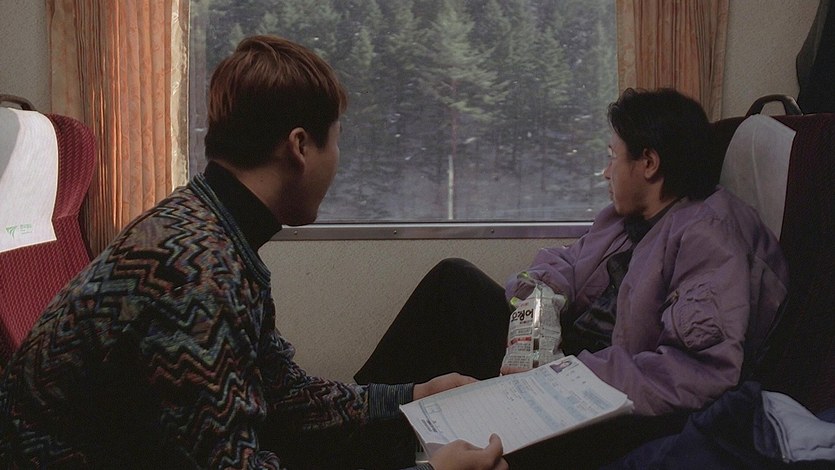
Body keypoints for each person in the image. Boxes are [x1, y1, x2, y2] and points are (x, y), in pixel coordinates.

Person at [0, 35, 508, 470]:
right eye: (336, 142)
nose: (338, 160)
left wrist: (412, 396)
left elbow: (281, 392)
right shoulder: (197, 274)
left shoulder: (203, 226)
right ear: (300, 146)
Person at [355, 88, 789, 468]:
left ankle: (364, 439)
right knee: (454, 282)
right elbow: (564, 261)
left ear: (649, 163)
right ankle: (357, 415)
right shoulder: (625, 221)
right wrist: (539, 304)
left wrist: (568, 375)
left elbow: (697, 371)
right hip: (565, 361)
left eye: (612, 157)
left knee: (452, 293)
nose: (606, 172)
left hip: (608, 398)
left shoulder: (707, 236)